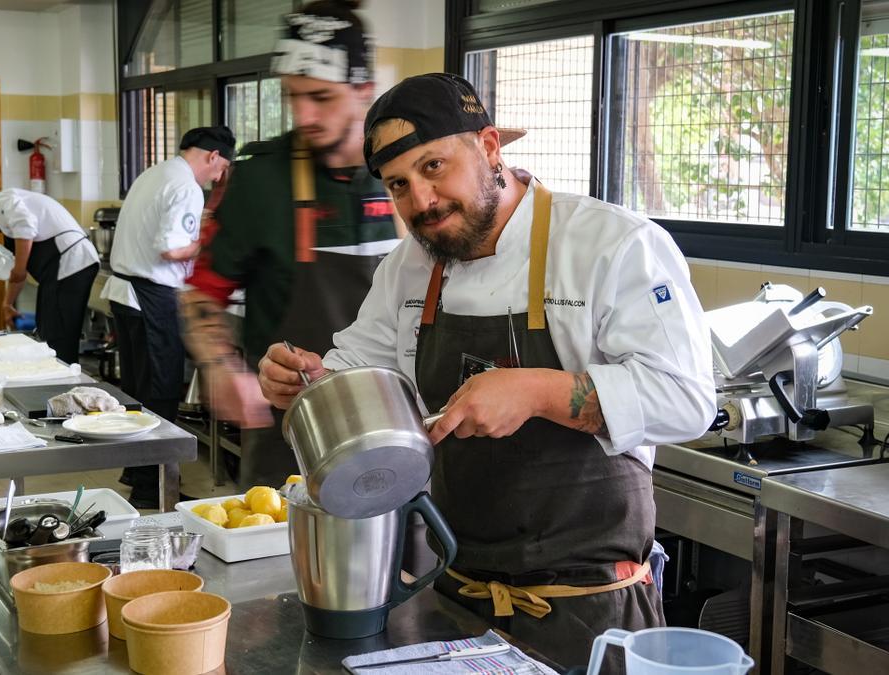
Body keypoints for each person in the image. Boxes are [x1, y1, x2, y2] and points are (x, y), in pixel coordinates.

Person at [256, 73, 715, 669]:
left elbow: (686, 401)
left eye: (435, 167)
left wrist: (538, 391)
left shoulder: (613, 245)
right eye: (399, 184)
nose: (420, 201)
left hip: (588, 612)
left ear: (490, 147)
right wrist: (304, 377)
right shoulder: (410, 267)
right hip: (452, 597)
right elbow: (355, 367)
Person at [180, 0, 404, 490]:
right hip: (293, 436)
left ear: (364, 89)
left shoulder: (406, 170)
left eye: (321, 97)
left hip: (404, 430)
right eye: (292, 96)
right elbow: (200, 294)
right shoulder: (259, 180)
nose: (304, 114)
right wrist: (220, 368)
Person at [102, 126, 235, 508]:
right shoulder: (187, 186)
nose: (218, 176)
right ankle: (153, 489)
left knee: (136, 390)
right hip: (152, 297)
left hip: (128, 294)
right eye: (221, 167)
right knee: (159, 392)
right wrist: (208, 239)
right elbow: (172, 250)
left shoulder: (155, 173)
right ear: (212, 156)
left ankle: (136, 471)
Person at [0, 185, 99, 364]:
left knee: (58, 333)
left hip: (71, 263)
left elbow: (25, 234)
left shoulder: (3, 201)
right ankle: (56, 380)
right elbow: (17, 272)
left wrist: (19, 270)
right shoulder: (12, 220)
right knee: (48, 327)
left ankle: (61, 384)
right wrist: (7, 303)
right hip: (65, 269)